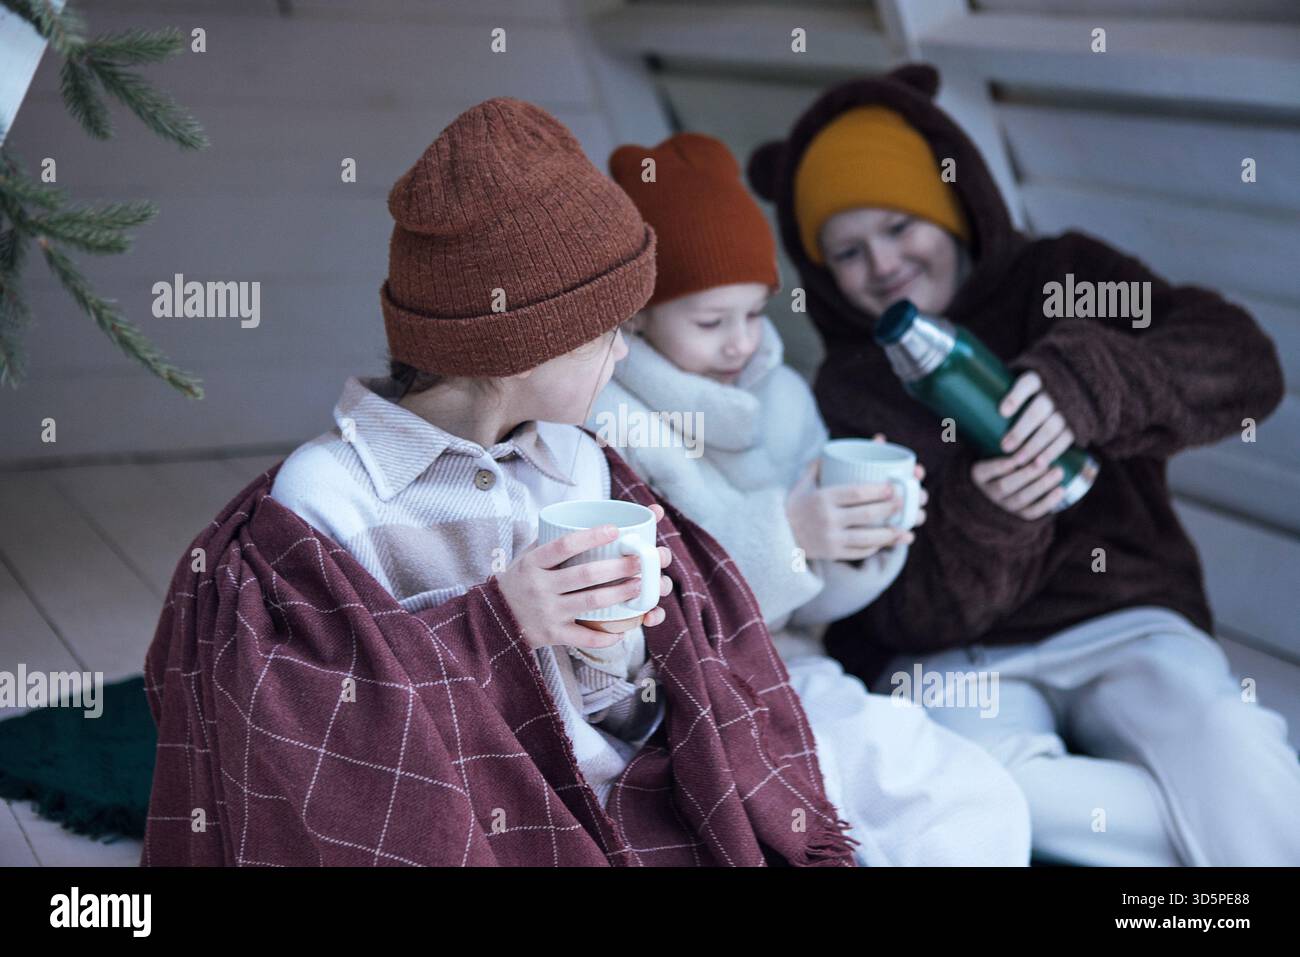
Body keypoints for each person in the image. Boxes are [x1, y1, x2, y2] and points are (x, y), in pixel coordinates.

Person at [141, 98, 856, 866]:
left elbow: (618, 715)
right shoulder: (328, 502)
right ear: (522, 345)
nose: (622, 355)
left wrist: (623, 644)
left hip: (612, 807)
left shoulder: (576, 462)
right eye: (608, 329)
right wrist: (499, 624)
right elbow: (313, 749)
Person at [745, 62, 1299, 866]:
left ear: (952, 203)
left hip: (1127, 616)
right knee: (987, 799)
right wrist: (992, 519)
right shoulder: (851, 388)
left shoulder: (1061, 280)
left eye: (902, 224)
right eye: (849, 251)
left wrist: (1091, 382)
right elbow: (899, 618)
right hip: (966, 662)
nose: (885, 264)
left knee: (1226, 739)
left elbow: (1245, 367)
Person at [590, 131, 1031, 865]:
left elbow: (815, 604)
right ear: (637, 316)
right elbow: (653, 618)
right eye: (709, 321)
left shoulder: (784, 392)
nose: (740, 344)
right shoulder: (607, 417)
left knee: (971, 800)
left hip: (797, 670)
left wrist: (865, 544)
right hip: (679, 701)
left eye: (755, 313)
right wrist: (787, 535)